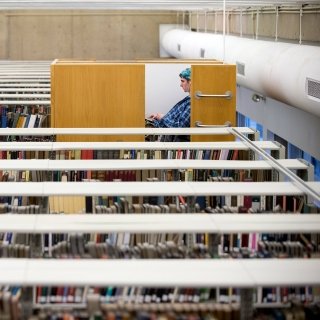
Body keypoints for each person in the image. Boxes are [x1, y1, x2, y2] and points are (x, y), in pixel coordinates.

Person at [149, 67, 191, 142]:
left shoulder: (191, 104)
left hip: (175, 145)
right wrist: (158, 118)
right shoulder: (188, 100)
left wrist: (163, 118)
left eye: (183, 81)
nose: (180, 85)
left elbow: (180, 128)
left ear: (190, 82)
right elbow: (175, 120)